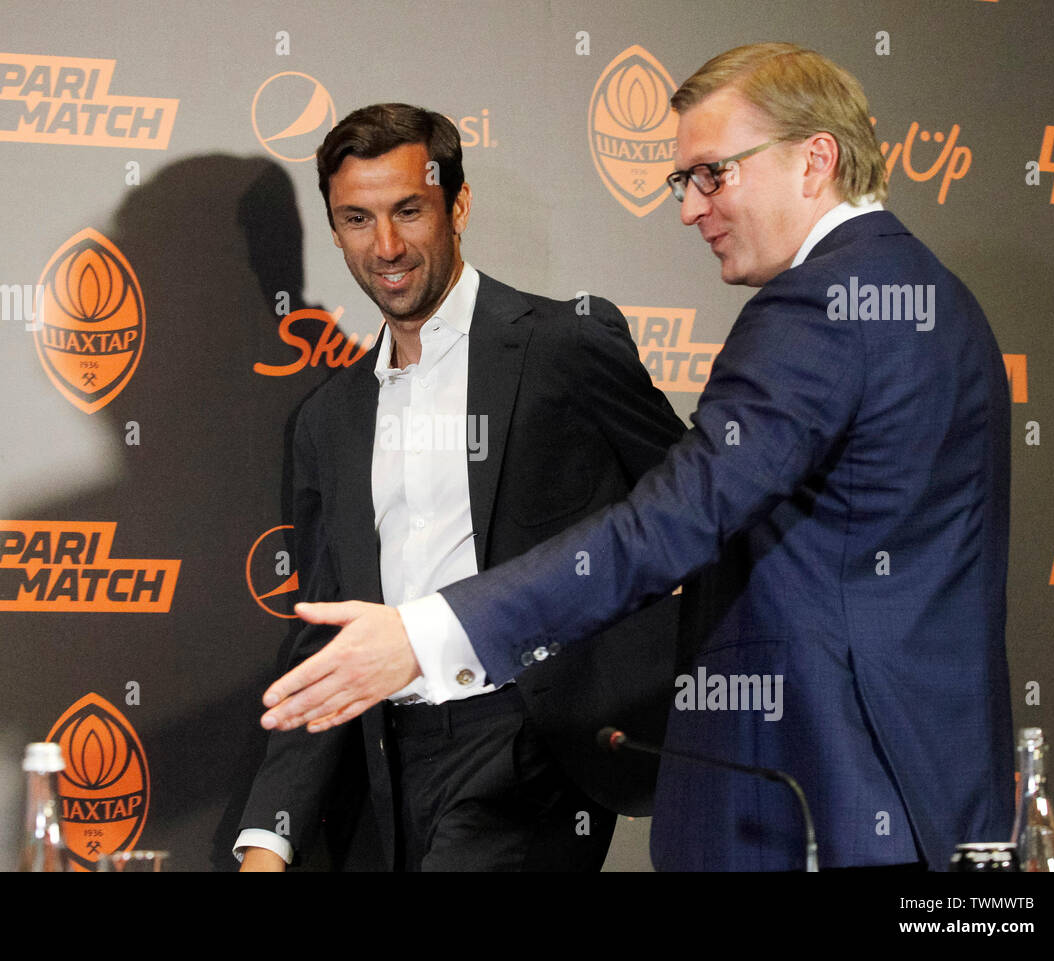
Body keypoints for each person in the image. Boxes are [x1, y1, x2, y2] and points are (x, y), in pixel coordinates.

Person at [259, 46, 1015, 871]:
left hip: (822, 787)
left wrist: (431, 631)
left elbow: (670, 520)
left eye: (712, 174)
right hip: (928, 785)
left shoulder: (816, 309)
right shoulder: (934, 295)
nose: (691, 208)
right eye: (682, 182)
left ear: (815, 159)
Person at [236, 103, 685, 871]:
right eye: (356, 218)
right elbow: (329, 638)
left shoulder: (564, 345)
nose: (386, 246)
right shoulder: (328, 420)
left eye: (408, 210)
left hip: (526, 748)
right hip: (387, 766)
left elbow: (695, 507)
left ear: (459, 204)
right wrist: (269, 839)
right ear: (335, 229)